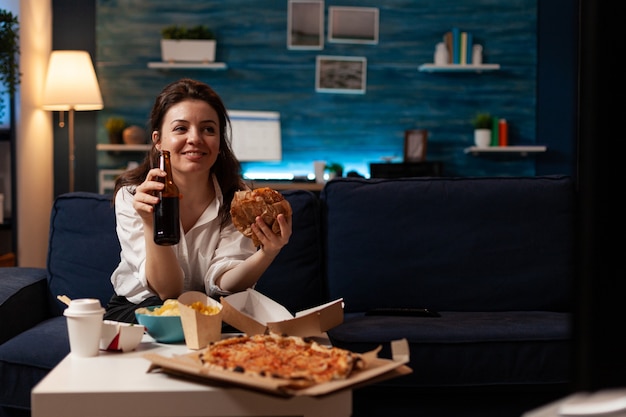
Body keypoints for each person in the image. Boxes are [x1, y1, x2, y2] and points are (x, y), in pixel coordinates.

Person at [104, 78, 292, 323]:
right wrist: (151, 222)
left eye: (208, 129)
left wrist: (268, 252)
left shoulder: (238, 199)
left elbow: (224, 282)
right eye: (181, 128)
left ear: (219, 142)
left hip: (209, 307)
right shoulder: (132, 196)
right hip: (143, 310)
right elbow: (167, 291)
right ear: (158, 140)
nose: (195, 138)